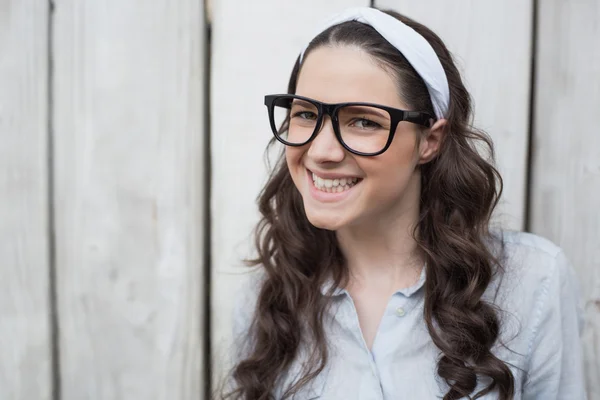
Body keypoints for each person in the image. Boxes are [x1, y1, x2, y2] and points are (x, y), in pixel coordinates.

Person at [221, 7, 586, 400]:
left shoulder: (533, 283)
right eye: (306, 114)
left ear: (430, 141)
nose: (321, 151)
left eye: (363, 121)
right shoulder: (270, 297)